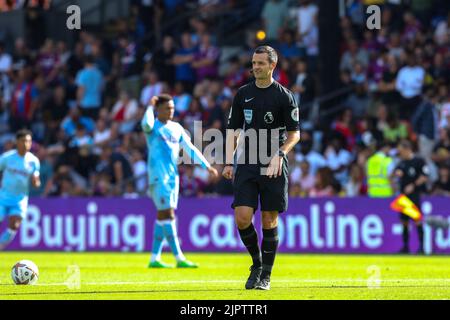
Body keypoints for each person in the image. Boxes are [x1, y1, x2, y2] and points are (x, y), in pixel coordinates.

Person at [223, 46, 300, 290]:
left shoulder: (285, 96)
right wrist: (228, 160)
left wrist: (280, 154)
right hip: (247, 160)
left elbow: (294, 134)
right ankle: (256, 263)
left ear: (272, 66)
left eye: (260, 63)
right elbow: (233, 129)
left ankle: (265, 275)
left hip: (273, 163)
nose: (255, 67)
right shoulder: (243, 94)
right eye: (254, 63)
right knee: (242, 218)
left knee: (269, 219)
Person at [141, 94, 218, 268]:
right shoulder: (152, 127)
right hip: (158, 177)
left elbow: (190, 149)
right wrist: (149, 106)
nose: (171, 111)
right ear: (158, 109)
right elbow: (145, 123)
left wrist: (206, 166)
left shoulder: (176, 128)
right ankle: (179, 257)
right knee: (168, 215)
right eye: (167, 108)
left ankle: (154, 258)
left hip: (172, 177)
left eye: (172, 108)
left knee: (162, 216)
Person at [0, 129, 40, 250]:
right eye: (23, 141)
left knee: (14, 225)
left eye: (28, 141)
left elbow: (36, 181)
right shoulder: (7, 157)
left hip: (20, 199)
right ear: (16, 142)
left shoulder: (33, 161)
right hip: (3, 197)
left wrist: (36, 182)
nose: (26, 144)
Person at [394, 140, 429, 254]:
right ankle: (405, 247)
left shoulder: (419, 161)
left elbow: (424, 176)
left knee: (417, 220)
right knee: (404, 221)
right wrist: (397, 173)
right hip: (403, 197)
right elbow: (395, 172)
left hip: (414, 196)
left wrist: (413, 186)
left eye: (402, 151)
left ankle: (422, 248)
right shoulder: (402, 162)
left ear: (408, 149)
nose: (400, 154)